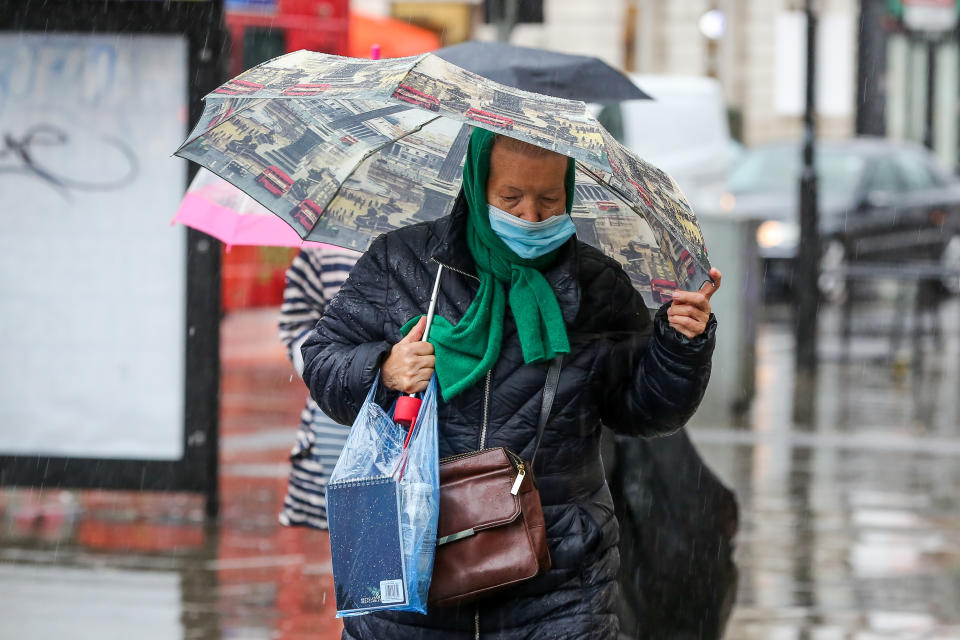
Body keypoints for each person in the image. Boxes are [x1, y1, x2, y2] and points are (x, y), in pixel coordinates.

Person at [301, 128, 721, 639]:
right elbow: (323, 360)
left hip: (558, 579)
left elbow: (647, 411)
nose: (530, 217)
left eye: (549, 200)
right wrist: (383, 369)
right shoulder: (403, 262)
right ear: (478, 187)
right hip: (409, 561)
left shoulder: (598, 285)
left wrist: (680, 345)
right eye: (511, 198)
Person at [277, 245, 360, 530]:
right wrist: (324, 367)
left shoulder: (438, 242)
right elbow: (296, 321)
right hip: (334, 405)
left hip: (418, 405)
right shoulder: (324, 250)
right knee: (345, 525)